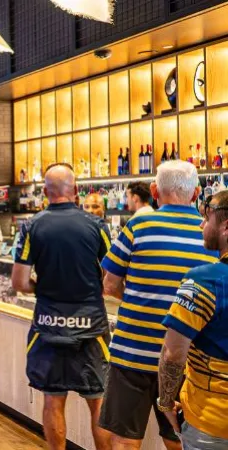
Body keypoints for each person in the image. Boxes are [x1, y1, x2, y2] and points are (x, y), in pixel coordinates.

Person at [100, 161, 215, 450]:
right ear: (197, 193)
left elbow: (109, 284)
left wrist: (142, 298)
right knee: (179, 439)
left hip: (132, 354)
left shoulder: (138, 225)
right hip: (188, 358)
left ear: (154, 190)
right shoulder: (210, 236)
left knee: (125, 441)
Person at [12, 163, 112, 450]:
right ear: (77, 191)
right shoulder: (97, 226)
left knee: (53, 401)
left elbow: (19, 281)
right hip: (91, 327)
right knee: (98, 404)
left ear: (44, 192)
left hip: (48, 323)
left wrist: (41, 288)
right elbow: (112, 275)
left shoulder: (32, 226)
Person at [158, 190, 228, 449]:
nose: (201, 225)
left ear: (225, 227)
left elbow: (173, 353)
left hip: (213, 421)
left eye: (206, 219)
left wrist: (165, 402)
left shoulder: (203, 281)